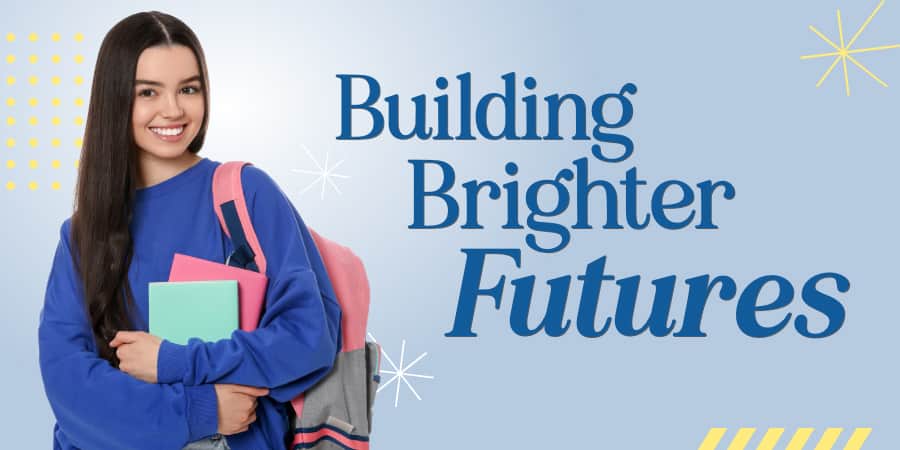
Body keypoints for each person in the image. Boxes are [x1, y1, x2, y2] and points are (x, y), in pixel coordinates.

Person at [36, 11, 342, 450]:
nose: (174, 109)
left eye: (188, 88)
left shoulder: (244, 197)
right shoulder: (82, 236)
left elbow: (309, 338)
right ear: (115, 99)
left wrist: (176, 362)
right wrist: (202, 408)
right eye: (148, 92)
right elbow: (70, 388)